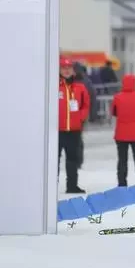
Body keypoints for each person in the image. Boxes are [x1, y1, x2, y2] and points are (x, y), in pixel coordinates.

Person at [58, 56, 90, 193]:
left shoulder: (80, 88)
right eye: (63, 68)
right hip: (57, 130)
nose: (66, 71)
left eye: (69, 68)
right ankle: (51, 186)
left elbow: (86, 105)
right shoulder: (54, 86)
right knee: (54, 160)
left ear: (73, 71)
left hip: (74, 130)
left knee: (72, 159)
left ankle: (72, 185)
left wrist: (80, 118)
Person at [111, 73, 135, 186]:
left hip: (121, 134)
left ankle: (122, 183)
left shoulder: (117, 97)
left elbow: (114, 112)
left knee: (122, 160)